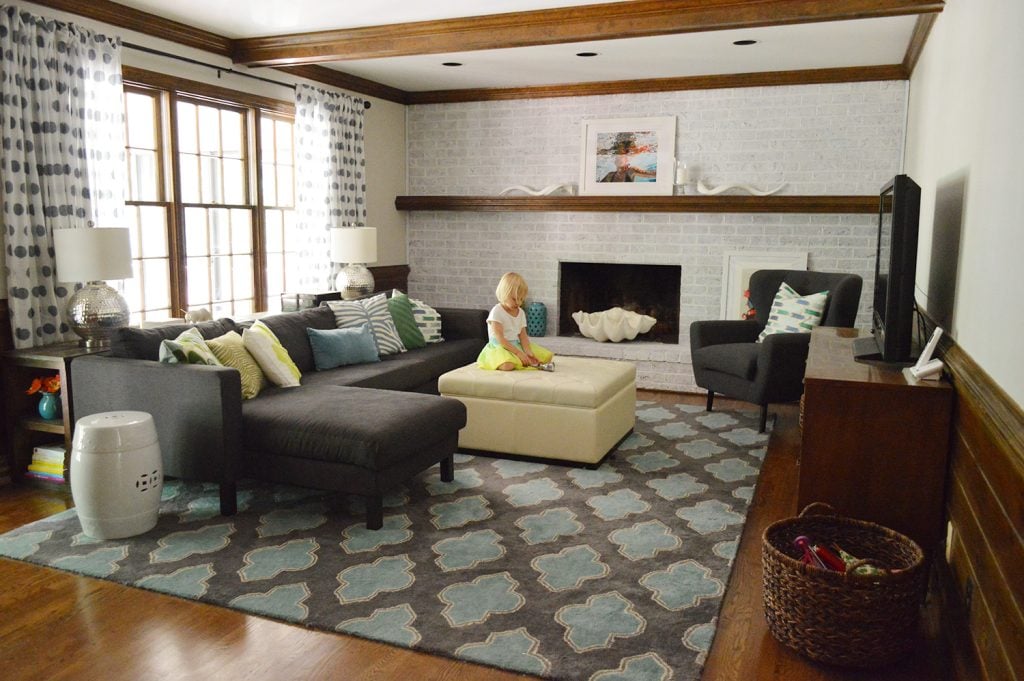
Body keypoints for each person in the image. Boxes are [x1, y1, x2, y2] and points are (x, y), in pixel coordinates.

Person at [477, 272, 555, 371]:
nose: (518, 302)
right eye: (514, 299)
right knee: (507, 365)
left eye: (521, 299)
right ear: (504, 294)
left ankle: (521, 361)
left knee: (546, 357)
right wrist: (518, 353)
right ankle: (514, 361)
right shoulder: (497, 311)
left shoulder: (521, 312)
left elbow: (523, 336)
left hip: (516, 345)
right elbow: (500, 339)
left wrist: (528, 352)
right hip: (500, 347)